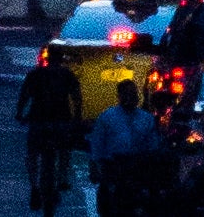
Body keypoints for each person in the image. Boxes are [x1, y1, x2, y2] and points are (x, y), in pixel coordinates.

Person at [14, 43, 90, 215]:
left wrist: (20, 113)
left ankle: (34, 185)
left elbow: (24, 95)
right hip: (60, 120)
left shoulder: (35, 74)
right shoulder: (67, 74)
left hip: (38, 120)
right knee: (64, 149)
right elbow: (77, 98)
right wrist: (76, 119)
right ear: (61, 59)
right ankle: (62, 177)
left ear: (47, 58)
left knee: (32, 154)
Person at [86, 80, 166, 216]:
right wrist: (95, 167)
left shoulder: (146, 118)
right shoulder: (107, 117)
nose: (130, 97)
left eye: (133, 93)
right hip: (113, 167)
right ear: (120, 96)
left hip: (137, 168)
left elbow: (153, 146)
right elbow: (97, 144)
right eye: (127, 94)